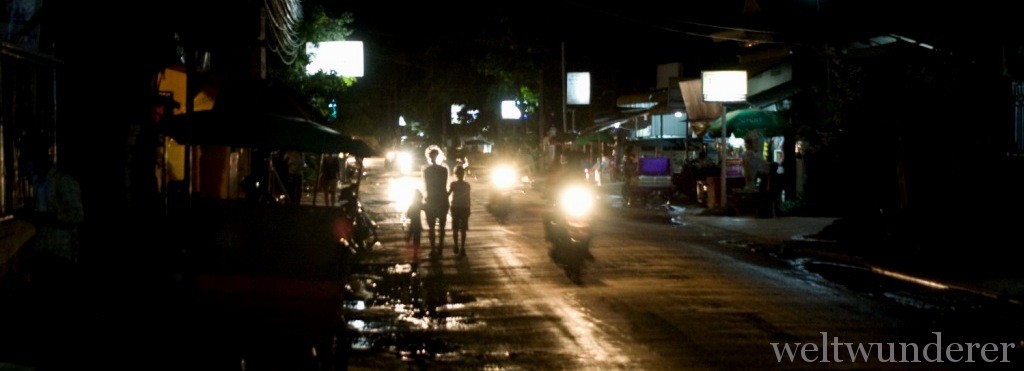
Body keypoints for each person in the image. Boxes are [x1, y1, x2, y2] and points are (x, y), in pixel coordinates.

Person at [22, 148, 84, 295]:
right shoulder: (37, 181)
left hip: (60, 253)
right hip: (42, 252)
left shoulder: (63, 180)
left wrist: (48, 218)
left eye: (28, 159)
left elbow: (77, 215)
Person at [422, 147, 449, 257]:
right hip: (442, 199)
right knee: (442, 227)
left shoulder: (427, 171)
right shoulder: (444, 170)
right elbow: (443, 185)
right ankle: (440, 248)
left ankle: (433, 249)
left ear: (429, 157)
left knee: (432, 227)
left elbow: (427, 187)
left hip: (432, 200)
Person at [448, 165, 471, 257]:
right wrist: (469, 208)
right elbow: (468, 198)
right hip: (464, 207)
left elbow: (448, 194)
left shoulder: (453, 184)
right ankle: (462, 247)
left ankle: (456, 245)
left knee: (455, 229)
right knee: (463, 229)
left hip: (455, 207)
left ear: (456, 174)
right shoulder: (467, 185)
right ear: (463, 174)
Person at [406, 189, 424, 262]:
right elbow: (426, 208)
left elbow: (408, 214)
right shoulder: (418, 204)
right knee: (416, 238)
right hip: (417, 223)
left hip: (413, 223)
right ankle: (415, 253)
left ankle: (414, 252)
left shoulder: (412, 204)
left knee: (413, 236)